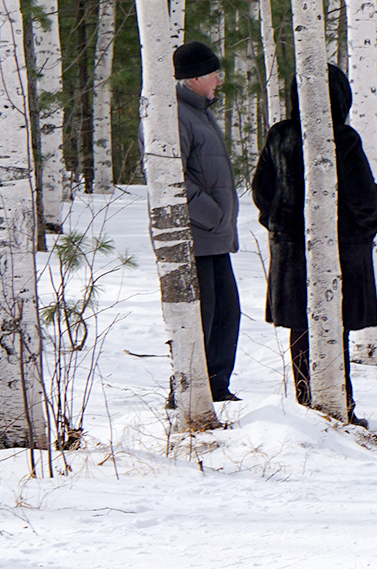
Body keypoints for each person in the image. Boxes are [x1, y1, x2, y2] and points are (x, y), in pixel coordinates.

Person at [251, 63, 377, 425]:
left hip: (290, 250)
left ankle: (307, 403)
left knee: (301, 328)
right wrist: (368, 227)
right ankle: (339, 406)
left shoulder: (280, 135)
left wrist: (277, 221)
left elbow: (262, 189)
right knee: (332, 326)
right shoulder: (343, 137)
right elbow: (363, 196)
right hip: (343, 249)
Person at [174, 41, 242, 401]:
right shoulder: (176, 115)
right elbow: (172, 180)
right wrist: (213, 216)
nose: (219, 79)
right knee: (203, 318)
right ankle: (188, 390)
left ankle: (216, 387)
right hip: (195, 237)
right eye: (214, 72)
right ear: (196, 77)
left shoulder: (201, 111)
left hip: (214, 236)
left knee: (226, 315)